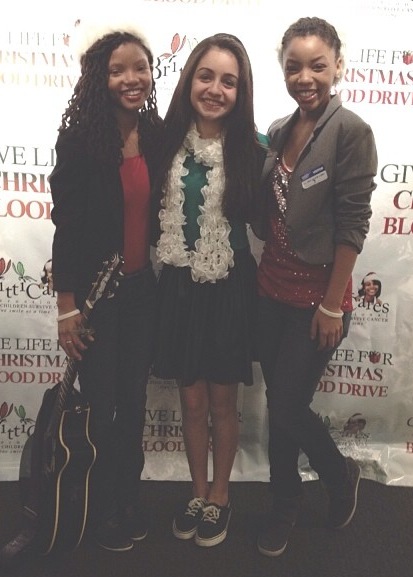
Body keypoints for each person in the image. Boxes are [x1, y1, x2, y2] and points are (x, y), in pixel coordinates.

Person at [251, 17, 378, 557]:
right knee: (282, 405)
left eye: (317, 65)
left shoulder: (350, 131)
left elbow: (352, 224)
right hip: (269, 293)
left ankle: (334, 473)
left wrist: (331, 304)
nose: (305, 77)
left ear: (338, 66)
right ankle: (285, 502)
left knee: (285, 404)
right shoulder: (281, 128)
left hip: (317, 303)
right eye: (293, 66)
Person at [48, 24, 163, 553]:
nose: (131, 78)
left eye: (140, 67)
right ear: (99, 78)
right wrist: (66, 309)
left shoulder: (156, 133)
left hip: (142, 294)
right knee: (102, 404)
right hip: (97, 298)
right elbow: (67, 227)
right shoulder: (79, 141)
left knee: (134, 403)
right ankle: (95, 505)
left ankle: (125, 500)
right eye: (118, 70)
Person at [153, 33, 267, 547]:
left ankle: (222, 494)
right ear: (189, 80)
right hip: (177, 284)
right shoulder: (164, 142)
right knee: (190, 400)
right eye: (206, 76)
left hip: (228, 287)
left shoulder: (255, 149)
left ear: (240, 92)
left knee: (223, 401)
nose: (215, 88)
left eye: (229, 80)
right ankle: (197, 491)